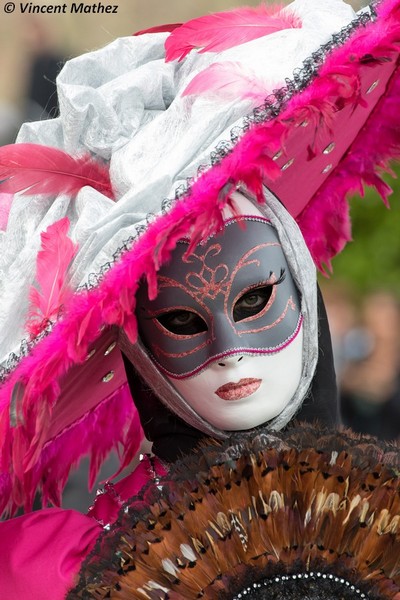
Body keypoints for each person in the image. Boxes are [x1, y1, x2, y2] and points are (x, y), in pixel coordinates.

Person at [0, 0, 399, 597]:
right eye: (183, 320)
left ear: (299, 287)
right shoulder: (67, 569)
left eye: (255, 298)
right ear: (142, 351)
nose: (230, 352)